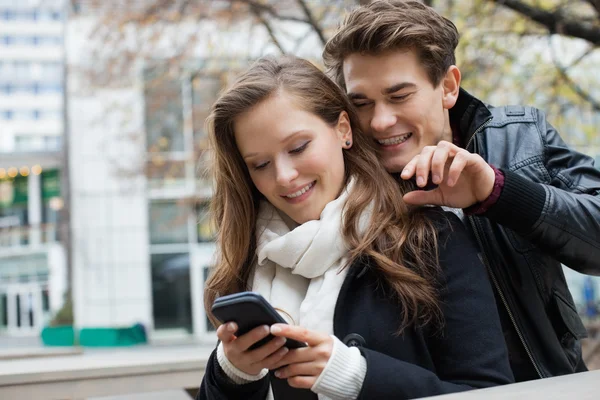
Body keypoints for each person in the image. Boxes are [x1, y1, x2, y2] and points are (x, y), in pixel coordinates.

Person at [196, 56, 513, 400]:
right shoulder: (248, 260)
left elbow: (489, 391)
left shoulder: (429, 239)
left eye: (299, 147)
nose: (284, 176)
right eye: (260, 164)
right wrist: (231, 372)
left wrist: (357, 375)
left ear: (343, 130)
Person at [322, 0, 600, 382]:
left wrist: (497, 193)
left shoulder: (522, 136)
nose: (381, 121)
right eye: (361, 103)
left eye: (399, 96)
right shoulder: (340, 178)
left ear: (449, 86)